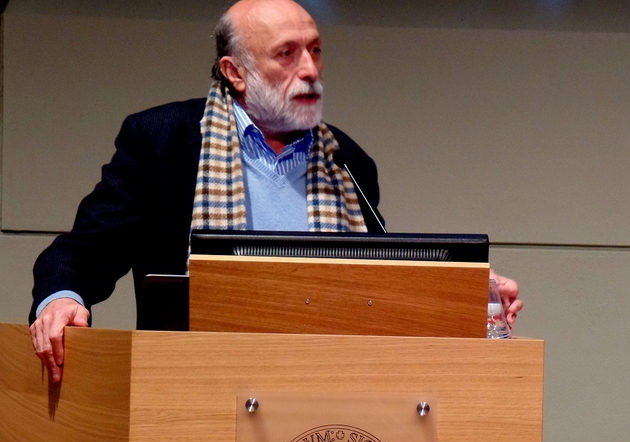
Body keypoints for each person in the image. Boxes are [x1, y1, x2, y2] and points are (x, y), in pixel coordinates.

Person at [28, 0, 523, 383]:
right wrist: (60, 297)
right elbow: (80, 252)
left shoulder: (346, 161)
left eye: (315, 49)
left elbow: (377, 285)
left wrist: (463, 294)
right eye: (286, 54)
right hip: (192, 393)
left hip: (327, 398)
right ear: (234, 72)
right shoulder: (165, 141)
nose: (309, 69)